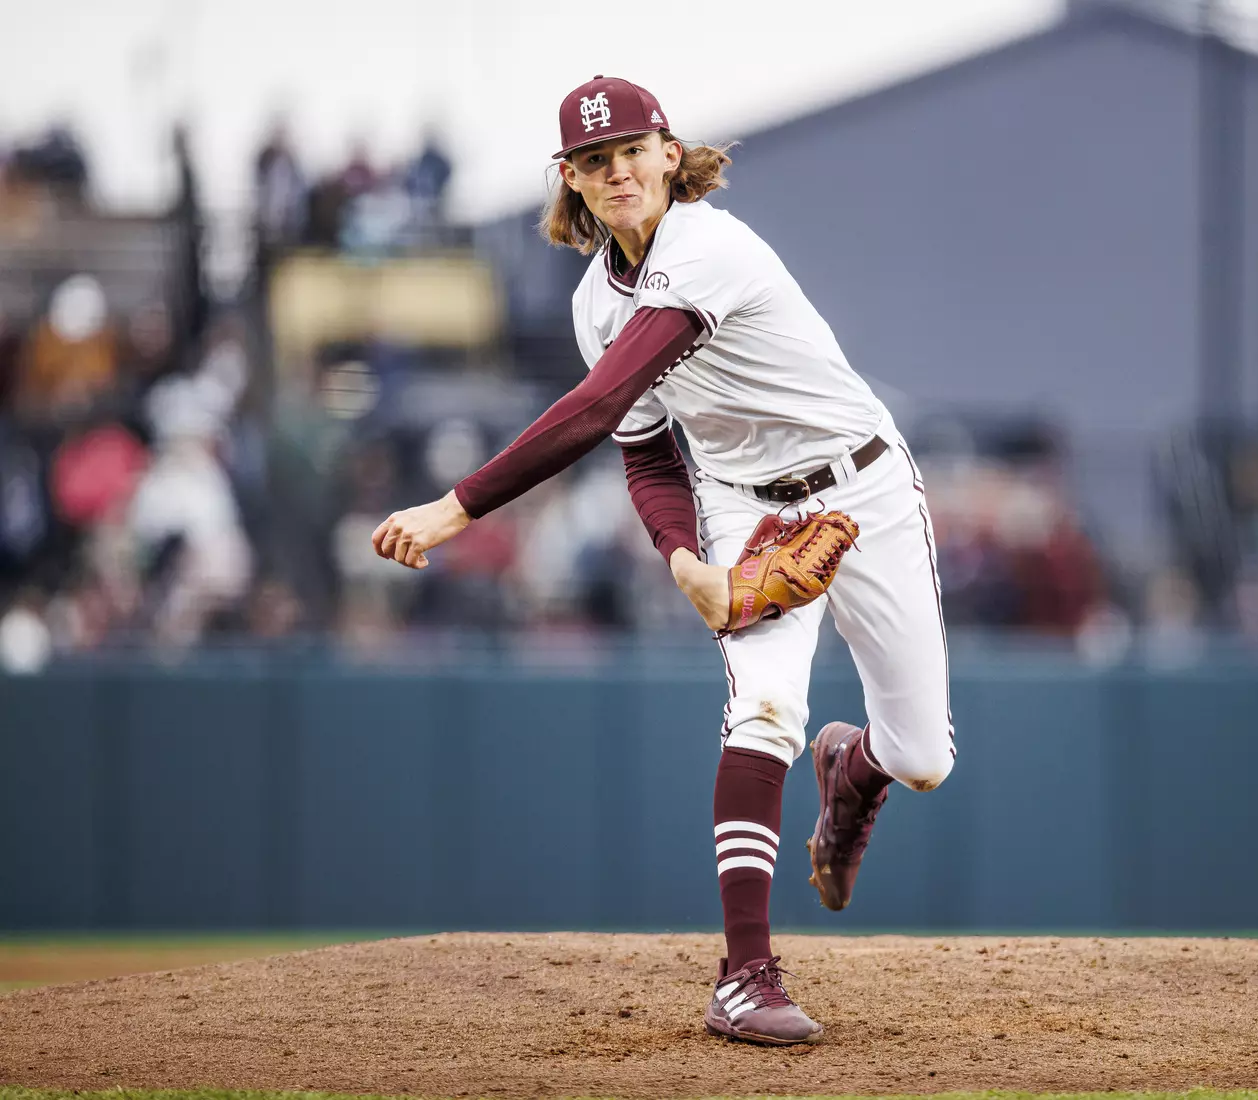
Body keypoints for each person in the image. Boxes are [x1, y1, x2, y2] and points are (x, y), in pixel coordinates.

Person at [370, 76, 954, 1046]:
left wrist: (452, 506)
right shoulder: (592, 302)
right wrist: (684, 554)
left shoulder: (708, 245)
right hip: (739, 506)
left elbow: (597, 405)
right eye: (595, 160)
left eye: (632, 149)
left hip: (863, 487)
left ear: (670, 154)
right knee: (762, 705)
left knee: (925, 756)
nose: (618, 169)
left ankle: (853, 768)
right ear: (571, 179)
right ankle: (744, 975)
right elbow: (642, 450)